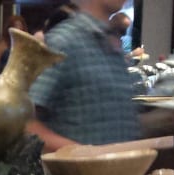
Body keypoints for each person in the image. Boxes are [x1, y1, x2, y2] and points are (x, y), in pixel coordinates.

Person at [26, 0, 139, 151]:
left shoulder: (112, 44)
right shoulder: (63, 42)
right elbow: (25, 125)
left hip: (120, 165)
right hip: (78, 167)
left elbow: (119, 122)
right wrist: (87, 154)